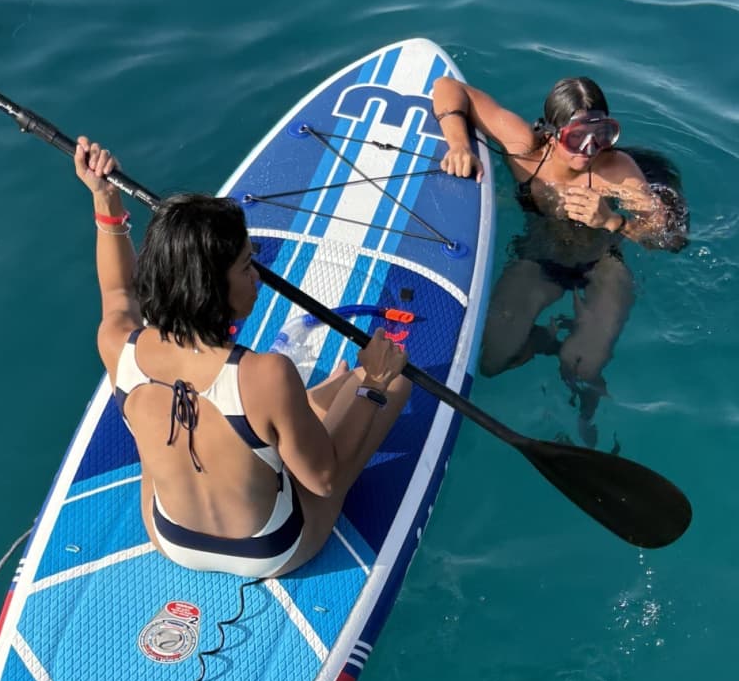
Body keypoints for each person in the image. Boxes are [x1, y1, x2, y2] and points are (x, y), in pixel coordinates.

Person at [73, 137, 412, 578]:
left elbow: (118, 293)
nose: (257, 277)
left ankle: (311, 404)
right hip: (272, 550)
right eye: (246, 266)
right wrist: (374, 384)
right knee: (396, 384)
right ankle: (343, 390)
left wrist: (105, 199)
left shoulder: (119, 344)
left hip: (170, 540)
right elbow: (324, 480)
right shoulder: (265, 373)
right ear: (210, 289)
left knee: (185, 427)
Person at [431, 73, 687, 443]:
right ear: (551, 132)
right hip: (539, 257)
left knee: (582, 373)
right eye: (576, 136)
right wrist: (459, 145)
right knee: (491, 361)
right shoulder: (524, 152)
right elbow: (446, 87)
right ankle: (542, 342)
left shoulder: (616, 171)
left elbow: (669, 237)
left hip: (603, 266)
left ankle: (574, 366)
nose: (589, 148)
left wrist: (613, 221)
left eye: (601, 134)